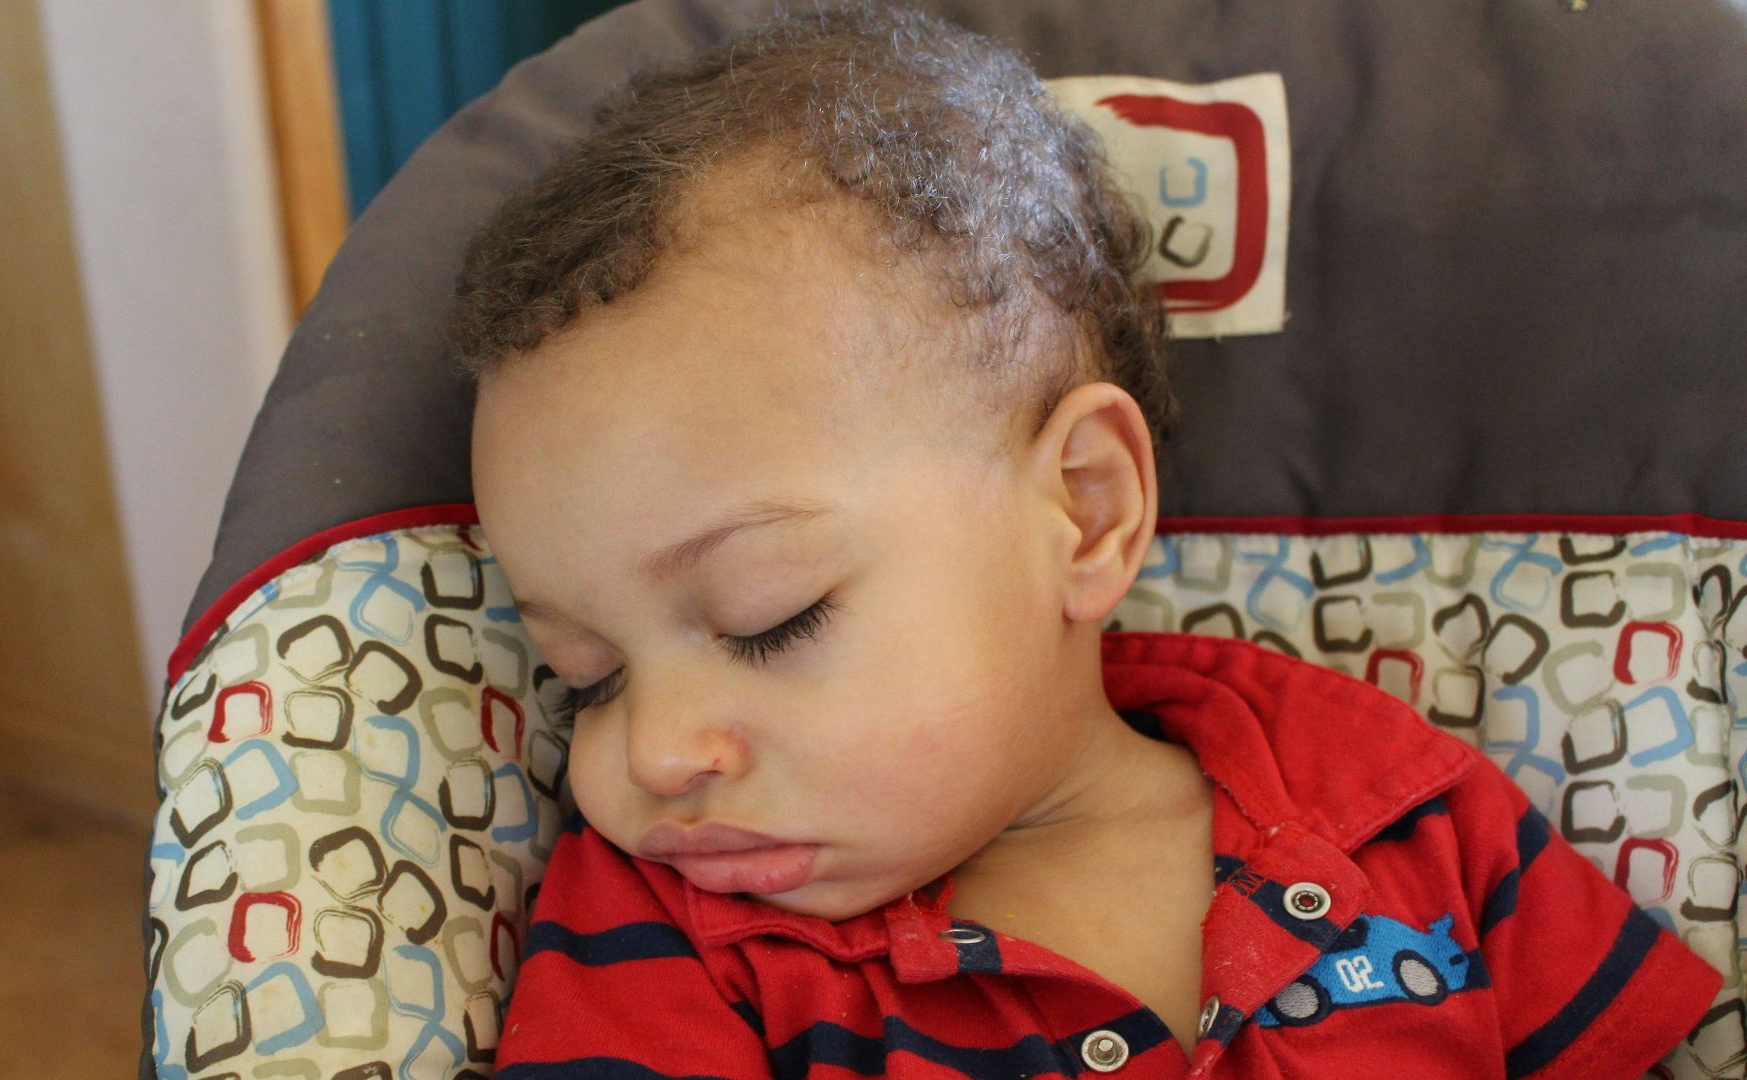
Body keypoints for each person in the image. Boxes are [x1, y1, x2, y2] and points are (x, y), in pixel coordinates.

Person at [457, 5, 1720, 1076]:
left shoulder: (1400, 810)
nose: (660, 752)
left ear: (1087, 510)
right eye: (592, 676)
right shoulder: (666, 931)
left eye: (767, 615)